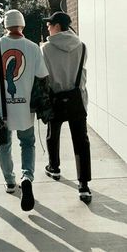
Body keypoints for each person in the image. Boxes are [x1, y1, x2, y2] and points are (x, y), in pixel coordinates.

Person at [0, 9, 48, 211]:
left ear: (5, 26)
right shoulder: (33, 47)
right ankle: (27, 176)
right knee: (27, 143)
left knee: (4, 145)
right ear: (23, 25)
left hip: (3, 108)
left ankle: (10, 182)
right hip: (25, 108)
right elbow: (42, 75)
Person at [41, 11, 92, 204]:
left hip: (56, 97)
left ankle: (54, 168)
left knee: (52, 134)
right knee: (81, 141)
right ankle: (84, 186)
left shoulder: (45, 48)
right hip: (77, 99)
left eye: (49, 24)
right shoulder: (82, 46)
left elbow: (44, 76)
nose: (47, 27)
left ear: (57, 26)